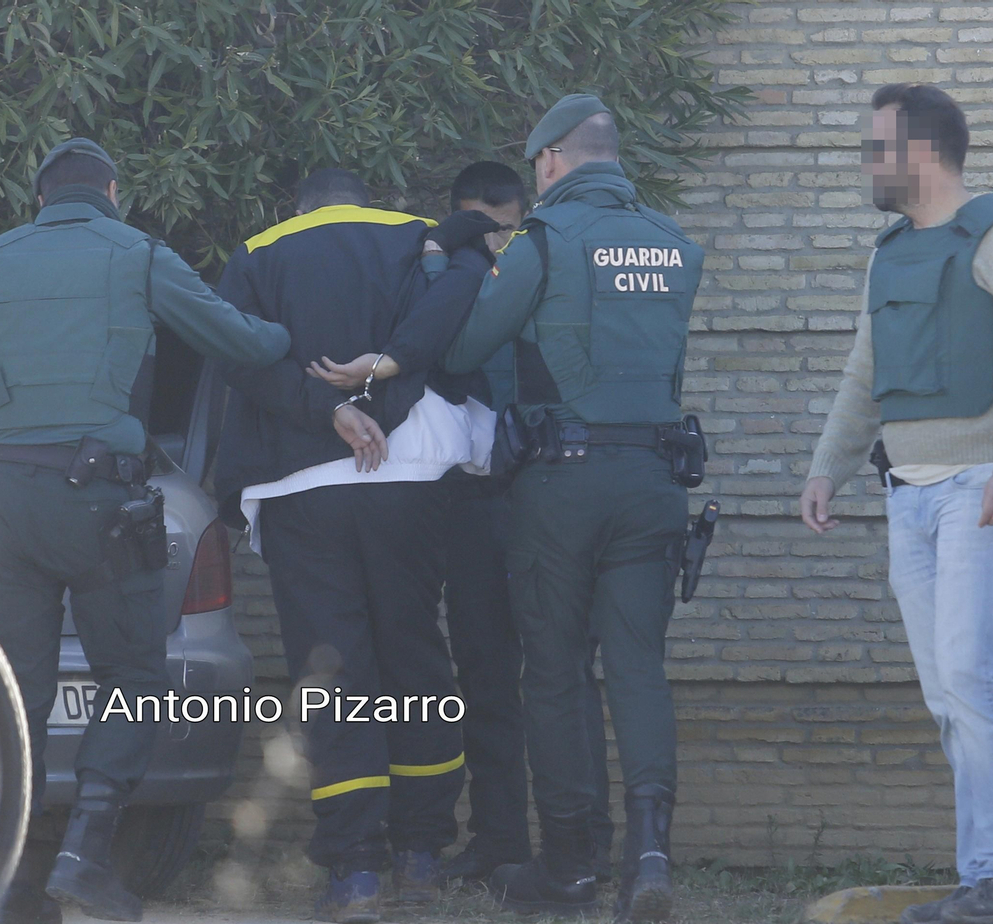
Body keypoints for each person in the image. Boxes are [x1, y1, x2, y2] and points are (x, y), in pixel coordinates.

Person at [0, 138, 291, 924]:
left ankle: (9, 877)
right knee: (134, 674)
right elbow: (239, 341)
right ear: (113, 191)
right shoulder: (137, 254)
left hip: (4, 501)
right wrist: (296, 340)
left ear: (38, 198)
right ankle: (86, 855)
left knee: (13, 684)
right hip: (102, 505)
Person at [800, 84, 993, 924]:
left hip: (981, 494)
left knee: (969, 677)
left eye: (874, 147)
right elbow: (864, 376)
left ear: (918, 152)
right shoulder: (890, 252)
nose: (866, 163)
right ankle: (985, 878)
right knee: (945, 692)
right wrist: (827, 469)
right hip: (908, 497)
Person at [312, 161, 617, 886]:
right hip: (477, 503)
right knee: (483, 674)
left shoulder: (555, 267)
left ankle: (584, 848)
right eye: (481, 230)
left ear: (525, 217)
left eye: (505, 229)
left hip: (554, 492)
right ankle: (500, 841)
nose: (496, 249)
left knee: (568, 672)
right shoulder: (442, 282)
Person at [439, 95, 704, 922]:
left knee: (553, 671)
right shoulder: (674, 246)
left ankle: (569, 866)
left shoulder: (542, 242)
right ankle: (650, 854)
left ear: (551, 159)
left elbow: (466, 348)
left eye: (537, 165)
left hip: (560, 484)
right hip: (655, 478)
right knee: (636, 669)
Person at [212, 167, 493, 923]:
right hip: (411, 473)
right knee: (414, 652)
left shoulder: (258, 251)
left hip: (300, 481)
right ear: (365, 196)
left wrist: (327, 410)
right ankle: (423, 852)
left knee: (333, 668)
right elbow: (458, 305)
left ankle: (355, 870)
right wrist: (383, 402)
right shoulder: (416, 239)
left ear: (299, 208)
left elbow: (238, 356)